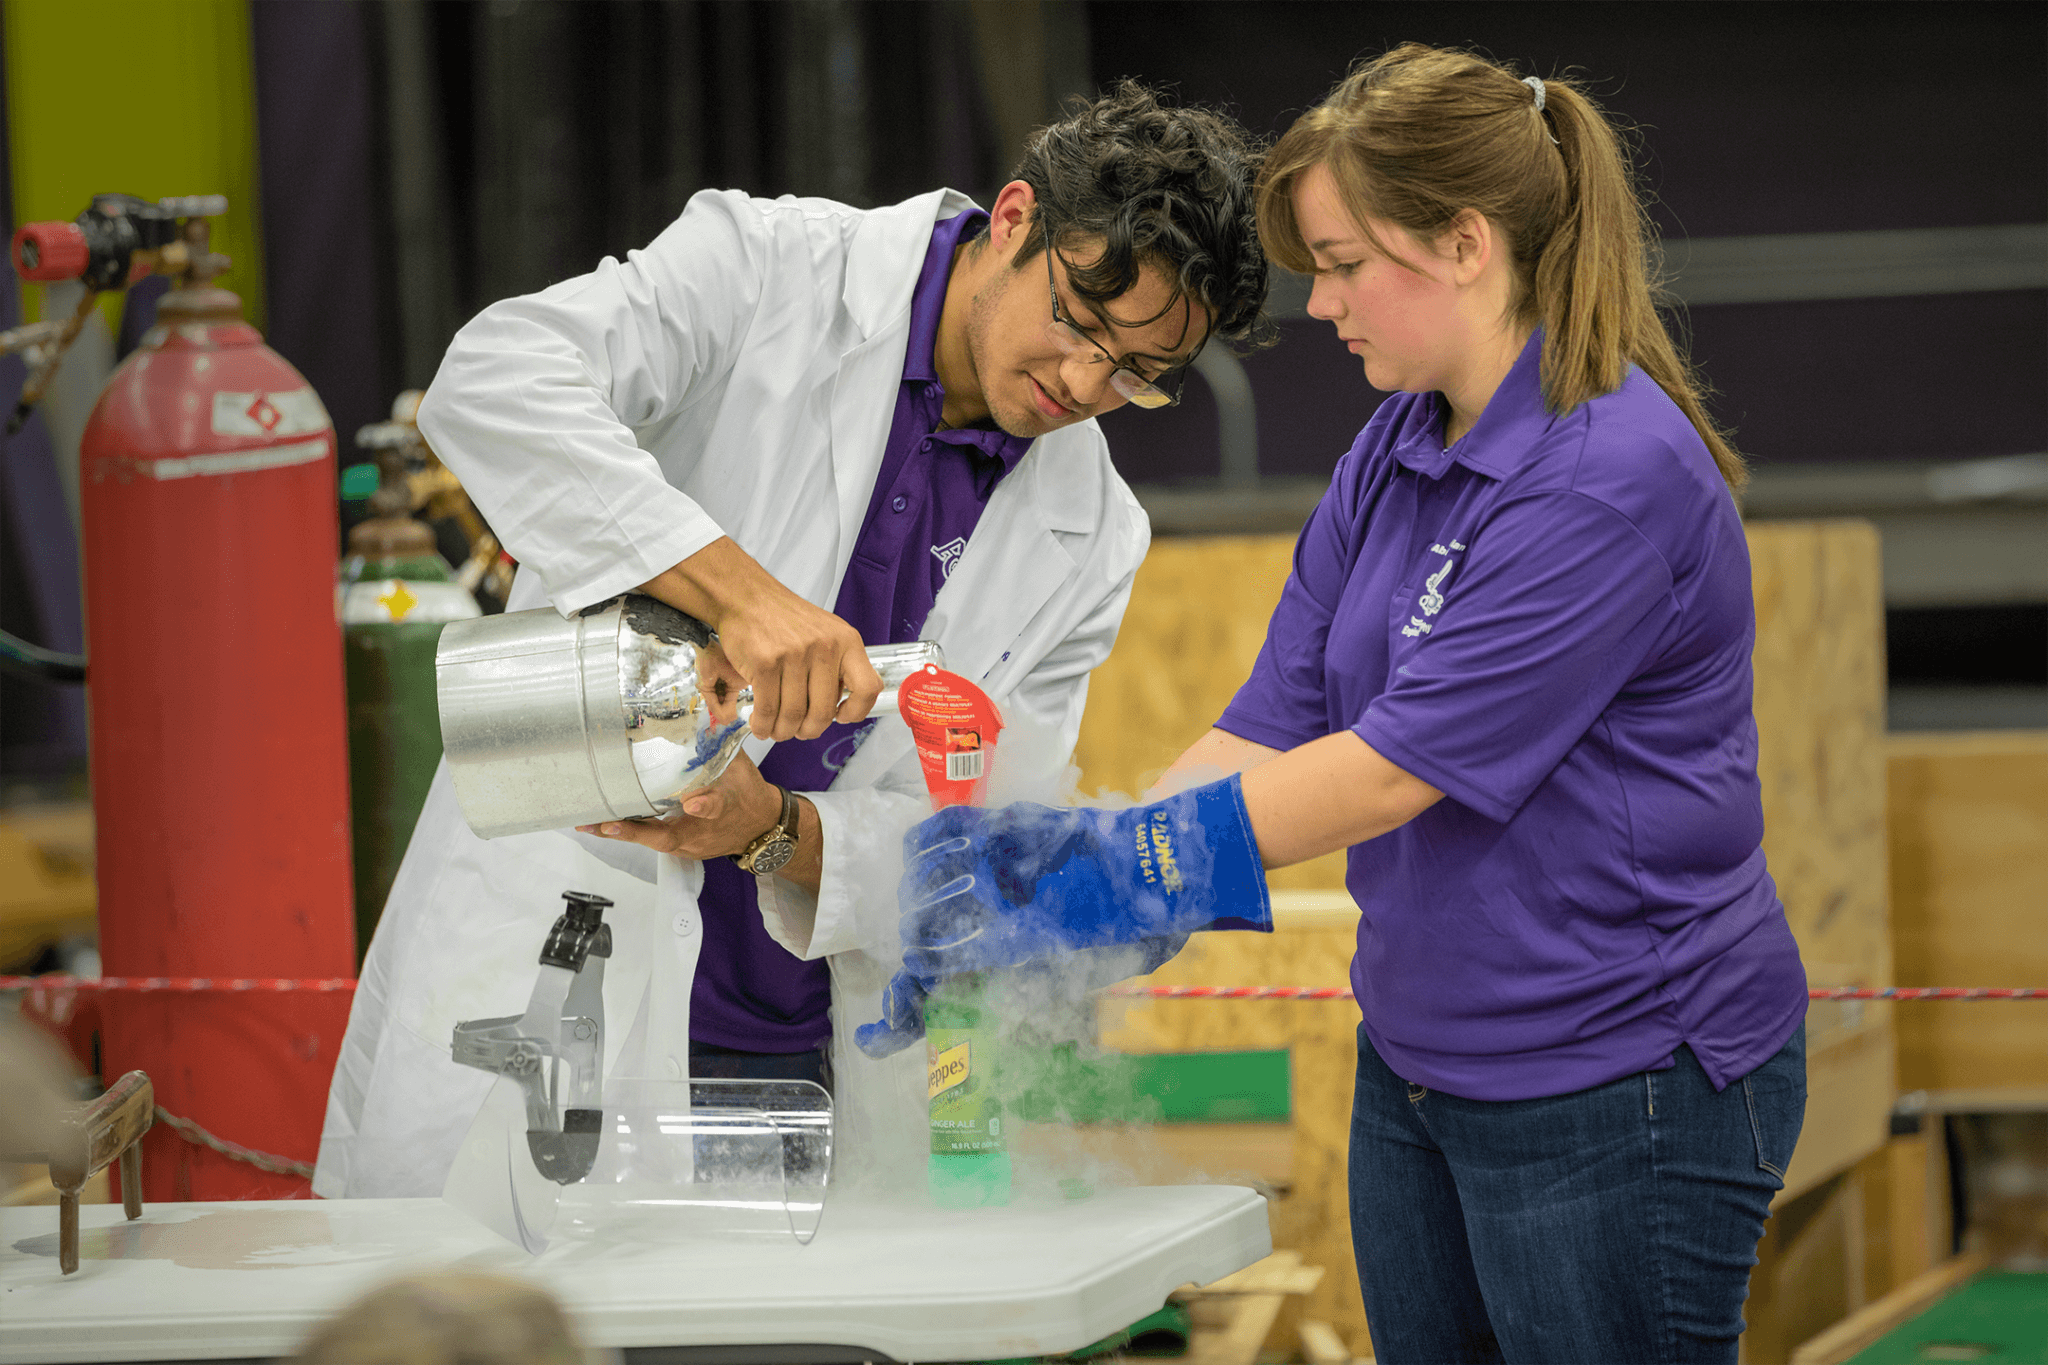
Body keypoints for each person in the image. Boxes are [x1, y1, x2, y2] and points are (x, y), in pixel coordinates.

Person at [867, 45, 1807, 1364]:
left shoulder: (1607, 478)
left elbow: (1384, 772)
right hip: (1422, 1063)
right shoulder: (1402, 439)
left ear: (1464, 245)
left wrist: (1102, 877)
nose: (1320, 304)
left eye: (1345, 264)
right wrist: (1075, 894)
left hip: (1615, 1076)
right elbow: (1272, 718)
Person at [313, 82, 1272, 1198]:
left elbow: (967, 837)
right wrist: (740, 595)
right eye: (1078, 324)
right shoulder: (766, 270)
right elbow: (495, 377)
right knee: (501, 1279)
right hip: (565, 959)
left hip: (786, 1046)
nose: (1082, 383)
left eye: (1137, 376)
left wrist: (776, 830)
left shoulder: (1094, 534)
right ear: (1016, 219)